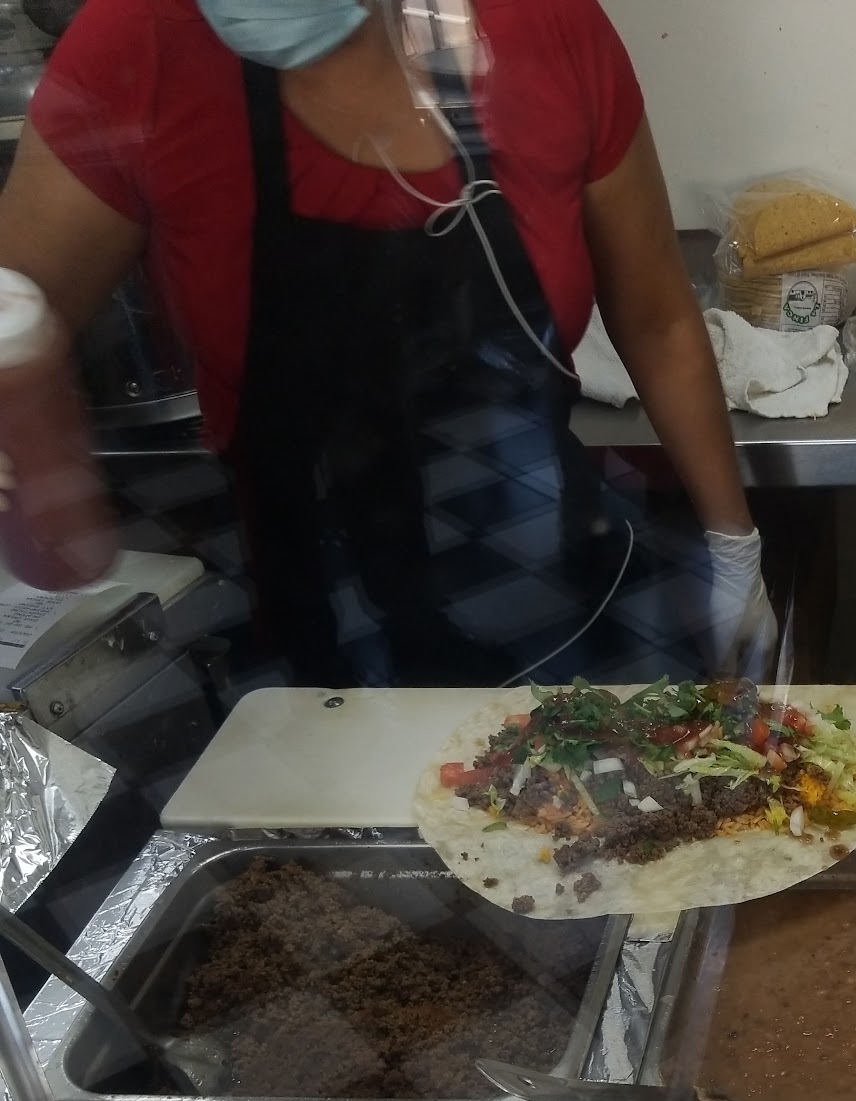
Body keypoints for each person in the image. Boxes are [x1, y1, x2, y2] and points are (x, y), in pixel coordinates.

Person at [0, 0, 777, 687]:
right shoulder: (140, 40)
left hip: (559, 596)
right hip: (319, 644)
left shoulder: (546, 22)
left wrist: (733, 551)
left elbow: (658, 320)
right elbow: (14, 316)